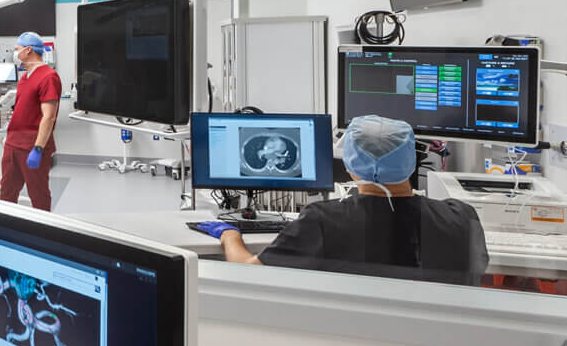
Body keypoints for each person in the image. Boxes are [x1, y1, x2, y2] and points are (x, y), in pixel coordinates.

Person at [194, 114, 489, 286]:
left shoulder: (323, 220)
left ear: (350, 166)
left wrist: (230, 235)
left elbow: (251, 274)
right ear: (412, 163)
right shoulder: (462, 217)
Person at [0, 32, 62, 211]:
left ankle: (42, 234)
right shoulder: (25, 77)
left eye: (17, 49)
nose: (14, 53)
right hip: (13, 144)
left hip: (32, 147)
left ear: (28, 50)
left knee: (38, 195)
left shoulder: (48, 76)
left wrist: (38, 148)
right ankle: (5, 228)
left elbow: (49, 116)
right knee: (7, 193)